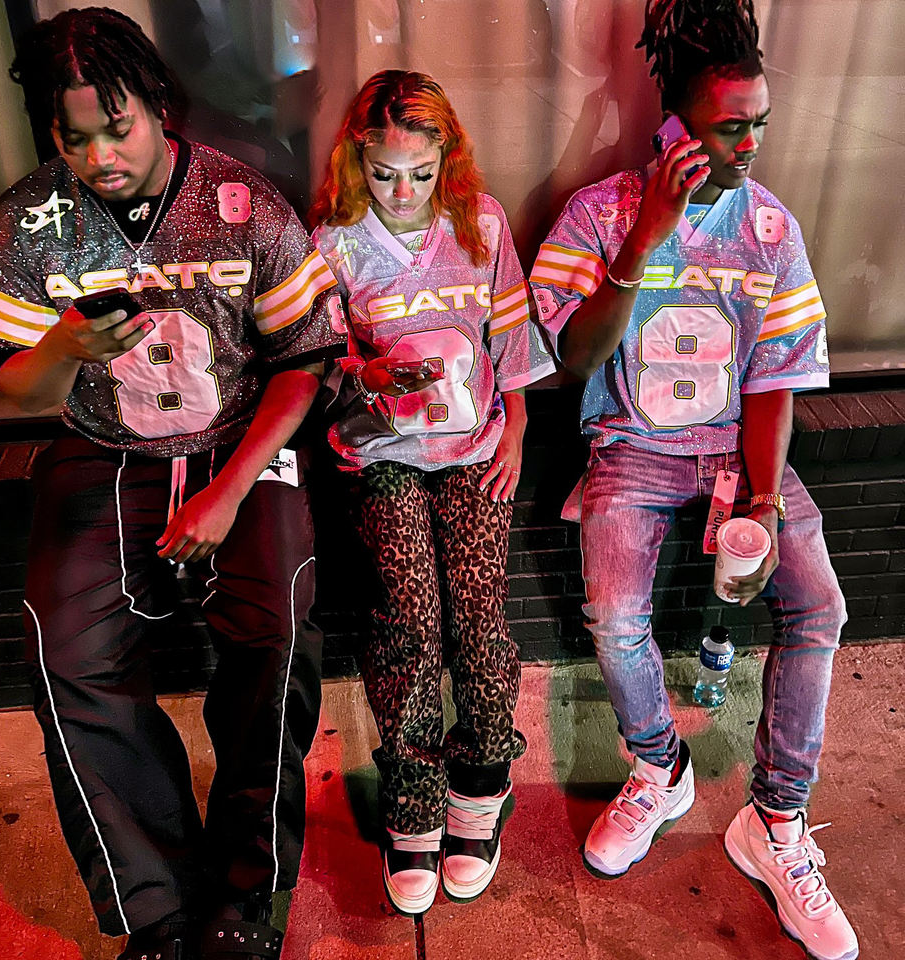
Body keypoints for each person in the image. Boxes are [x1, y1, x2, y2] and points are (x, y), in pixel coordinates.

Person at [0, 8, 344, 960]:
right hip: (104, 444)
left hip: (239, 439)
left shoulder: (240, 202)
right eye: (74, 137)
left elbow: (306, 360)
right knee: (67, 648)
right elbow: (10, 380)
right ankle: (159, 905)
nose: (100, 156)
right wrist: (64, 347)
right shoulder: (26, 222)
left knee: (277, 630)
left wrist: (230, 491)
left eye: (117, 127)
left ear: (159, 105)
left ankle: (246, 893)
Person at [529, 2, 858, 958]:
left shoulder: (771, 227)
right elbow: (574, 356)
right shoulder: (600, 214)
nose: (750, 144)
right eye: (729, 126)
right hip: (632, 441)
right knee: (613, 611)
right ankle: (658, 769)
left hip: (736, 447)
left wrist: (761, 495)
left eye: (760, 123)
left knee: (821, 605)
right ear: (674, 125)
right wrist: (647, 238)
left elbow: (775, 378)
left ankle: (776, 821)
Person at [310, 70, 555, 915]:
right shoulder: (336, 241)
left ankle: (481, 783)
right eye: (385, 173)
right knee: (411, 620)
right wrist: (366, 372)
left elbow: (511, 331)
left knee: (479, 618)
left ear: (447, 156)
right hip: (383, 449)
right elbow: (317, 356)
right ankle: (411, 798)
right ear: (357, 159)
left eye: (421, 171)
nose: (404, 190)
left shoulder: (479, 222)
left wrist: (517, 430)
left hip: (475, 444)